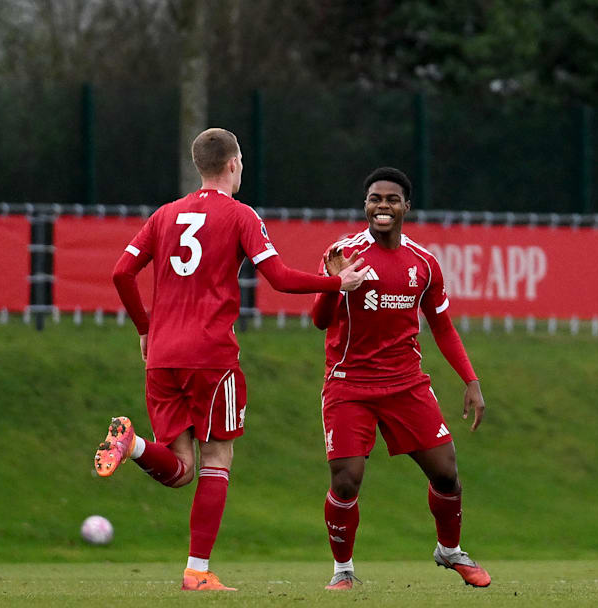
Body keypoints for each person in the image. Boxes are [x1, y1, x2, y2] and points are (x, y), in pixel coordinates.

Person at [94, 127, 370, 591]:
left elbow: (121, 272)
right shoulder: (242, 216)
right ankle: (197, 572)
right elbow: (279, 278)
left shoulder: (165, 215)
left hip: (163, 356)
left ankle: (134, 445)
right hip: (212, 357)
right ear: (234, 165)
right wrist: (335, 284)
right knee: (216, 458)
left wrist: (145, 328)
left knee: (180, 469)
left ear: (199, 164)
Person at [311, 167, 490, 590]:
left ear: (406, 206)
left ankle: (449, 551)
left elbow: (442, 327)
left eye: (392, 199)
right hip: (349, 383)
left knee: (447, 474)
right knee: (346, 479)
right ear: (366, 205)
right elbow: (319, 320)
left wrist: (471, 380)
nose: (383, 206)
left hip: (406, 384)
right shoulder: (343, 252)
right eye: (375, 199)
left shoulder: (424, 264)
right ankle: (343, 571)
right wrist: (335, 283)